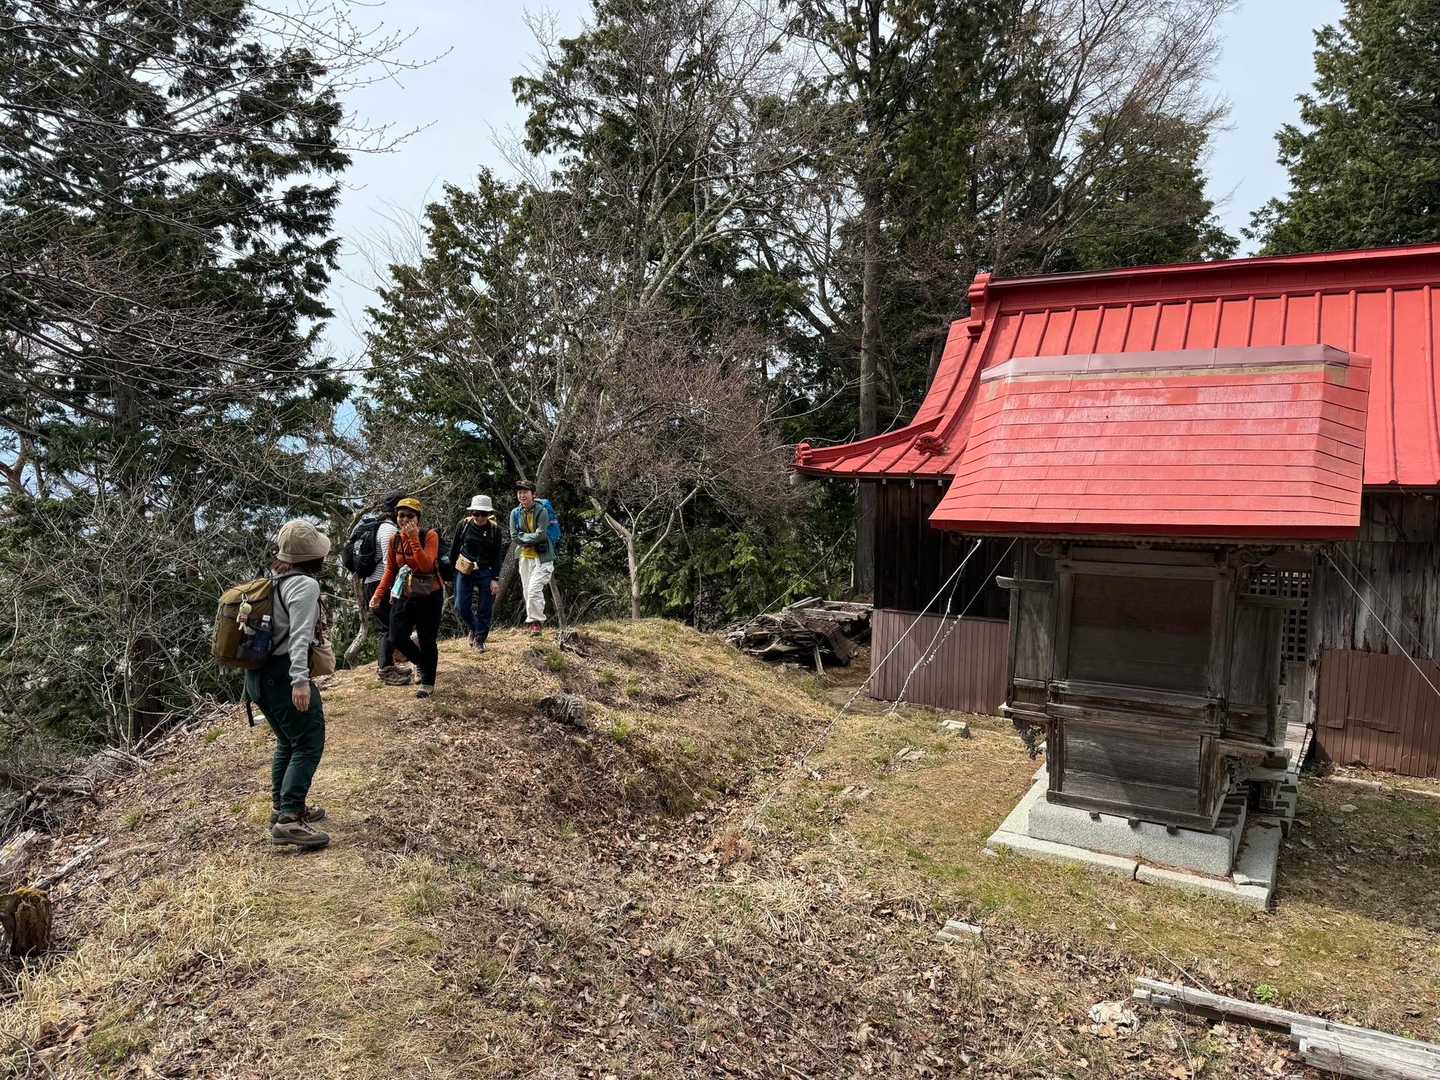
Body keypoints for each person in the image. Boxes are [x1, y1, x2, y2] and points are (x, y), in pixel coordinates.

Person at [247, 519, 332, 851]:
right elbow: (299, 638)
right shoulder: (305, 586)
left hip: (258, 677)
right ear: (312, 556)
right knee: (309, 740)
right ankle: (290, 819)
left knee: (288, 740)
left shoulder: (274, 579)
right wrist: (300, 681)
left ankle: (281, 808)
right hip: (283, 675)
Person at [371, 496, 443, 698]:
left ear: (418, 518)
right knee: (396, 636)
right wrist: (378, 594)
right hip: (404, 593)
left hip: (429, 594)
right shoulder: (394, 539)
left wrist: (413, 539)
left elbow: (426, 565)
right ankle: (422, 662)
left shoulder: (429, 536)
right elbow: (390, 569)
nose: (404, 520)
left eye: (410, 516)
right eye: (401, 515)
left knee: (427, 639)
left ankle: (427, 683)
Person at [450, 494, 507, 651]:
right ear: (471, 512)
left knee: (485, 607)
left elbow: (497, 555)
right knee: (461, 606)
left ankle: (479, 640)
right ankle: (475, 628)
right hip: (464, 569)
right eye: (476, 513)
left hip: (485, 570)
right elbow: (454, 549)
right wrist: (450, 573)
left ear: (489, 514)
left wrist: (495, 578)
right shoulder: (463, 525)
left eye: (484, 514)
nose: (480, 517)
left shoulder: (495, 530)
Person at [364, 492, 410, 684]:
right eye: (402, 511)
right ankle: (385, 669)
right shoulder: (389, 530)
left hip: (373, 582)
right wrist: (393, 588)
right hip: (381, 584)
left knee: (391, 626)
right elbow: (388, 563)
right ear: (395, 511)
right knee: (388, 628)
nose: (406, 516)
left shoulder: (380, 527)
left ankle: (389, 665)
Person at [509, 481, 555, 636]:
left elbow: (541, 535)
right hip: (524, 556)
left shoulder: (542, 511)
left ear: (533, 494)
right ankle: (534, 623)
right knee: (527, 591)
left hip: (543, 557)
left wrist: (523, 537)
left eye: (525, 492)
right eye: (519, 492)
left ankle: (536, 622)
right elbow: (514, 536)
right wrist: (529, 537)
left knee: (534, 590)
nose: (522, 495)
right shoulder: (515, 513)